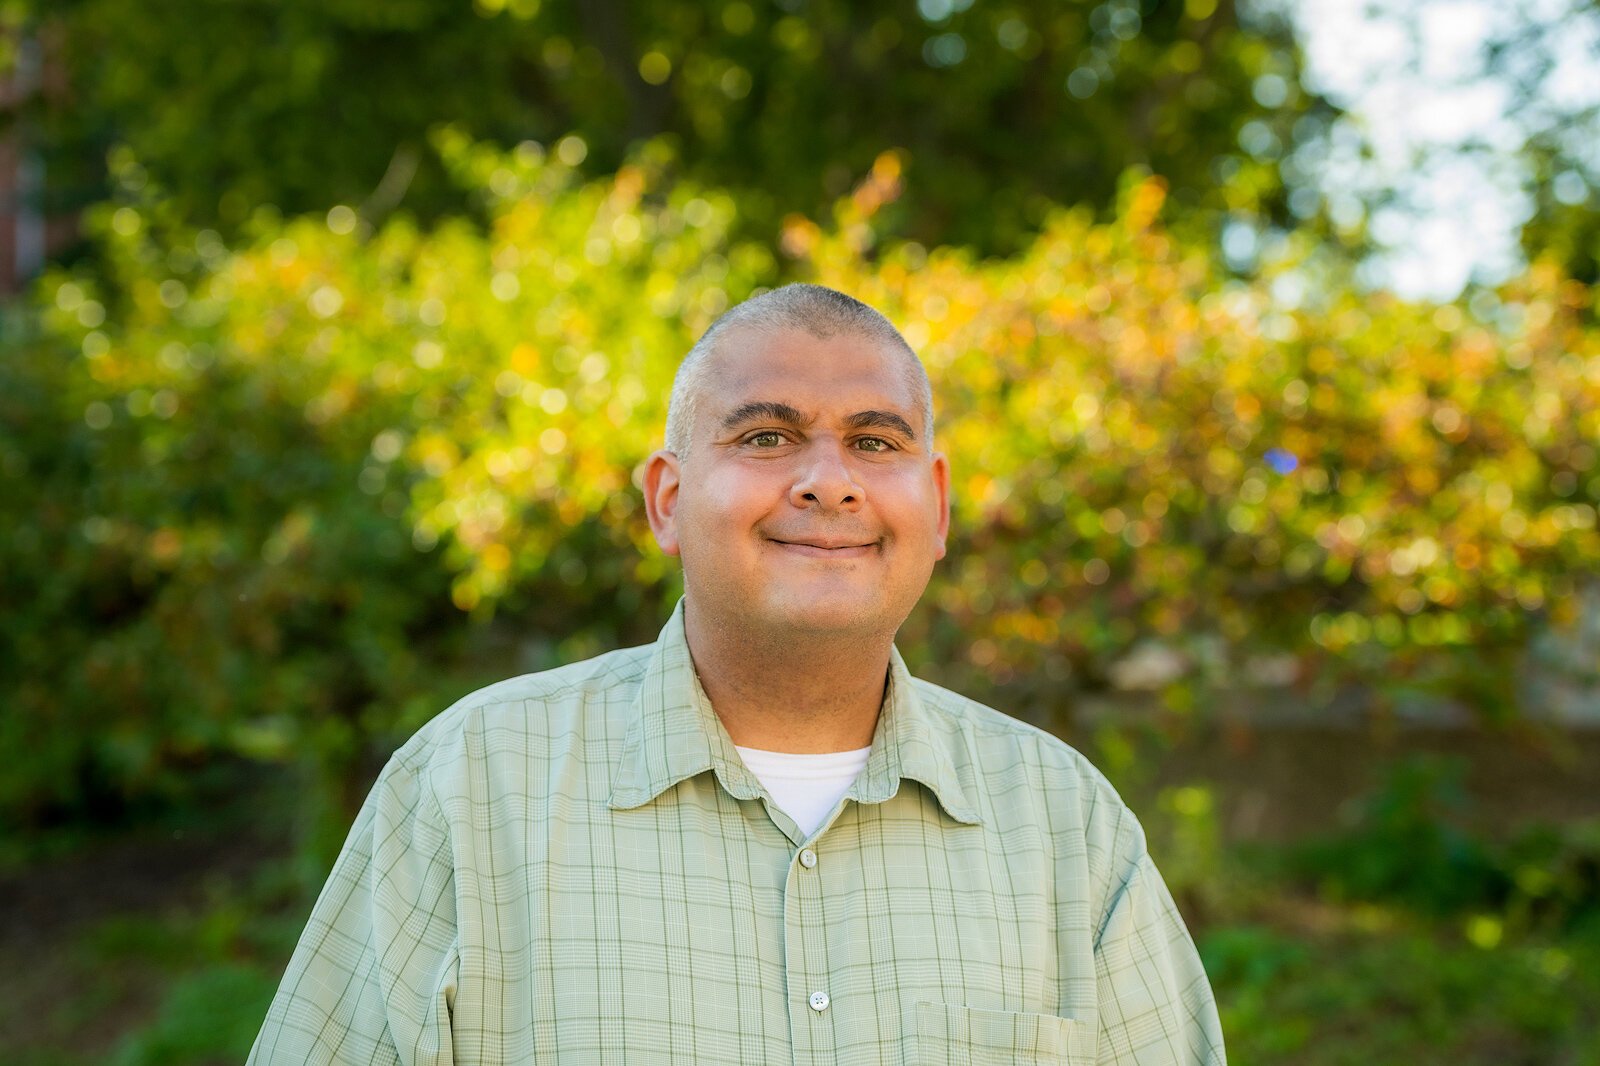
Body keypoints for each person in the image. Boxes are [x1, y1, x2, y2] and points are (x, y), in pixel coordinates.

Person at [249, 284, 1225, 1065]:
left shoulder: (1066, 825)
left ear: (934, 505)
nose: (828, 478)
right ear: (668, 499)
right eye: (766, 435)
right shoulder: (471, 785)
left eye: (873, 441)